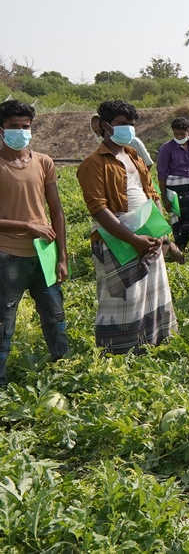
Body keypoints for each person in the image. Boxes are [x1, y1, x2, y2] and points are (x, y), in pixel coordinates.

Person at [77, 100, 178, 355]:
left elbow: (150, 191)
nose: (129, 130)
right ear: (105, 126)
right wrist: (133, 239)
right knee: (123, 300)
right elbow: (99, 209)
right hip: (117, 239)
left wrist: (159, 233)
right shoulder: (93, 163)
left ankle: (152, 346)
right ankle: (120, 354)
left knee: (150, 294)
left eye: (132, 125)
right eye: (123, 125)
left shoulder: (132, 155)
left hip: (148, 234)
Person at [0, 99, 69, 386]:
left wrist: (62, 256)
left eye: (25, 126)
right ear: (1, 129)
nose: (20, 131)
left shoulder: (43, 162)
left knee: (55, 318)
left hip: (44, 255)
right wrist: (28, 225)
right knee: (5, 324)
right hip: (8, 256)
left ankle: (65, 373)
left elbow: (56, 210)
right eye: (13, 127)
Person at [156, 116, 189, 251]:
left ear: (188, 132)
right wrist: (164, 197)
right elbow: (162, 173)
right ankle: (182, 247)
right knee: (181, 218)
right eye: (176, 134)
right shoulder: (167, 148)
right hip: (176, 188)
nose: (179, 136)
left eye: (182, 134)